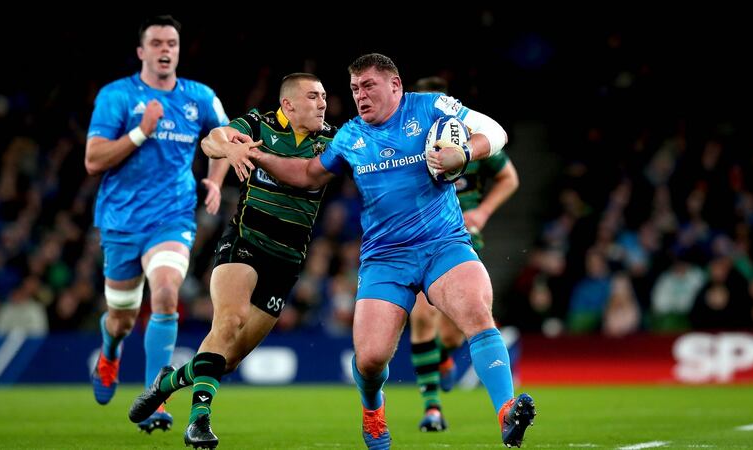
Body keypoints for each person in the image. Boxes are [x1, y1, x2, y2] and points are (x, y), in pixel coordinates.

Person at [243, 54, 536, 448]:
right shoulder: (349, 135)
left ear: (395, 85)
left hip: (442, 244)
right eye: (354, 89)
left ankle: (506, 411)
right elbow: (310, 174)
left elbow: (494, 131)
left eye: (368, 86)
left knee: (477, 313)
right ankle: (373, 411)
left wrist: (463, 153)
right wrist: (260, 155)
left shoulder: (430, 106)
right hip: (385, 258)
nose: (359, 96)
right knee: (370, 359)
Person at [128, 73, 336, 449]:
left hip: (288, 259)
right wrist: (231, 149)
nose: (323, 103)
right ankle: (199, 422)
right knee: (229, 322)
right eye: (313, 96)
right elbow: (212, 139)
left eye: (324, 96)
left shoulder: (333, 139)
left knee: (229, 358)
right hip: (244, 242)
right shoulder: (260, 124)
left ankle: (168, 381)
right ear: (288, 105)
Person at [85, 14, 229, 433]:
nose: (166, 50)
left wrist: (215, 180)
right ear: (141, 52)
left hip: (172, 216)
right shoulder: (117, 96)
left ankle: (157, 396)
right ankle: (110, 350)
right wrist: (140, 132)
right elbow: (93, 160)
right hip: (121, 221)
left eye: (172, 44)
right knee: (122, 318)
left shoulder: (199, 96)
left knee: (166, 292)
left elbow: (223, 141)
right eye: (157, 43)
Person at [408, 76, 520, 432]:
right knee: (423, 317)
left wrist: (483, 212)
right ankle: (432, 408)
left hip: (463, 239)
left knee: (456, 333)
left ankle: (442, 359)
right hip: (422, 241)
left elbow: (510, 179)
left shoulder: (471, 142)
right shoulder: (408, 144)